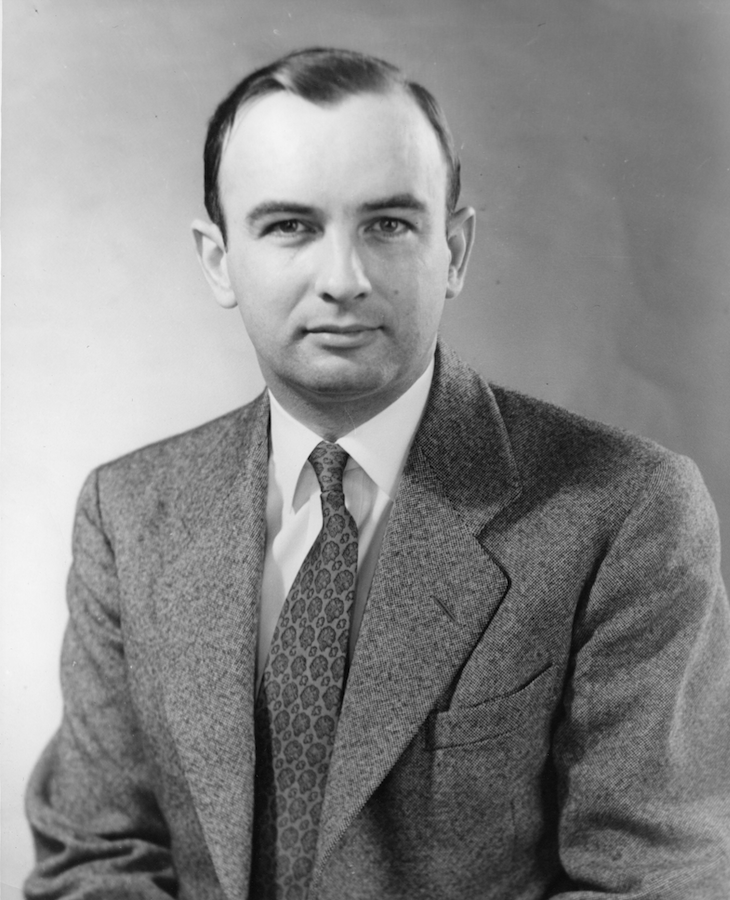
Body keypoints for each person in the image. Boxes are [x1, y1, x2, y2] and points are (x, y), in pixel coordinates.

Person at [25, 47, 730, 900]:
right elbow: (95, 857)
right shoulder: (128, 510)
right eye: (290, 226)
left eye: (388, 225)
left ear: (457, 249)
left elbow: (653, 881)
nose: (343, 280)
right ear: (218, 259)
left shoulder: (624, 509)